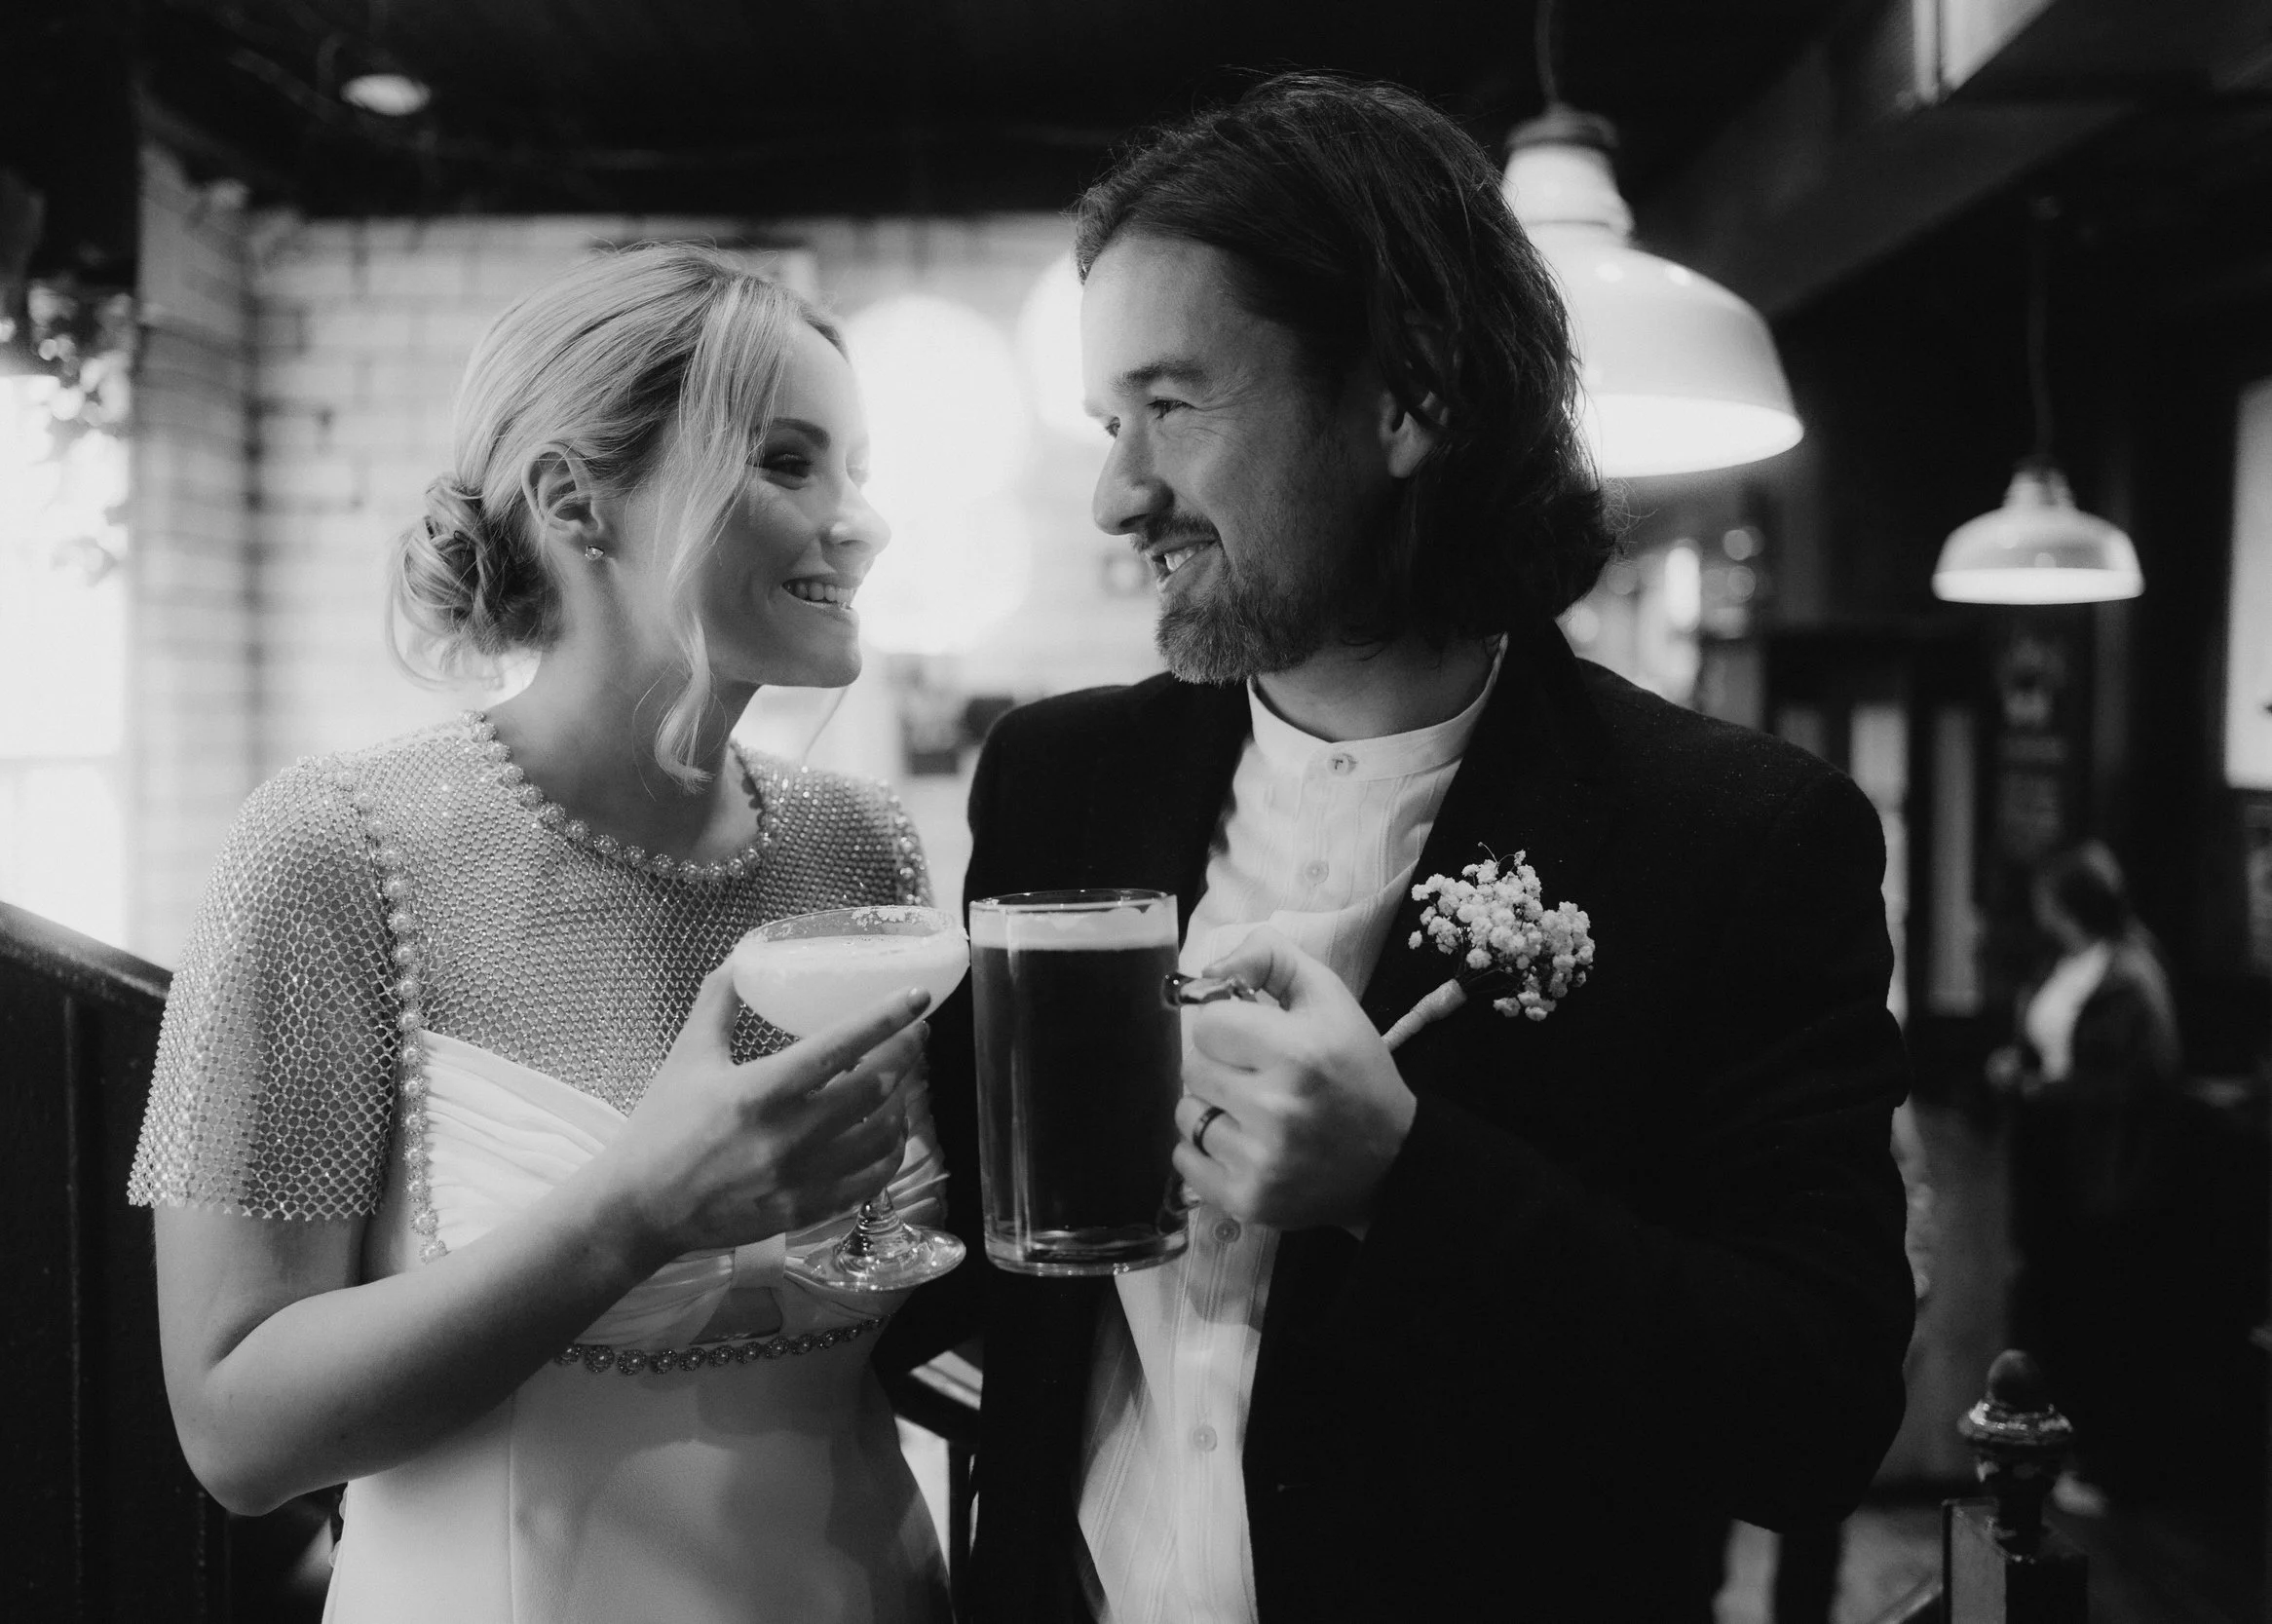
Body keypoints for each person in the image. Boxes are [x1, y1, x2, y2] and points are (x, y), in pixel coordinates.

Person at [907, 75, 1918, 1622]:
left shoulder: (1740, 837)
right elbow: (975, 1259)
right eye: (1113, 424)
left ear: (1408, 398)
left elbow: (1814, 1412)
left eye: (1172, 406)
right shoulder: (1061, 781)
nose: (1122, 493)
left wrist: (1405, 1178)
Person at [128, 244, 955, 1623]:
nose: (859, 523)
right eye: (791, 462)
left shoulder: (860, 850)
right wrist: (635, 1209)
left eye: (856, 471)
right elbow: (235, 1430)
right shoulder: (339, 845)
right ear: (579, 502)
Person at [1988, 839, 2181, 1511]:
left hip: (2105, 1170)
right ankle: (2060, 1451)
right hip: (2054, 1164)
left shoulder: (2132, 972)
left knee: (2103, 1320)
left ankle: (2106, 1465)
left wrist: (2047, 1089)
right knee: (2058, 1311)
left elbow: (2144, 1078)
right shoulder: (2063, 963)